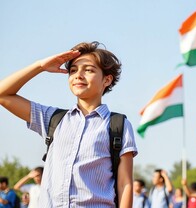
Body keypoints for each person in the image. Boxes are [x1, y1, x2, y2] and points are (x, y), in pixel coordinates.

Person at [0, 41, 138, 207]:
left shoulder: (118, 125)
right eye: (73, 70)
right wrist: (41, 66)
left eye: (88, 70)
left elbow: (125, 184)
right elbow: (3, 94)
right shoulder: (53, 118)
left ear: (107, 80)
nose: (78, 75)